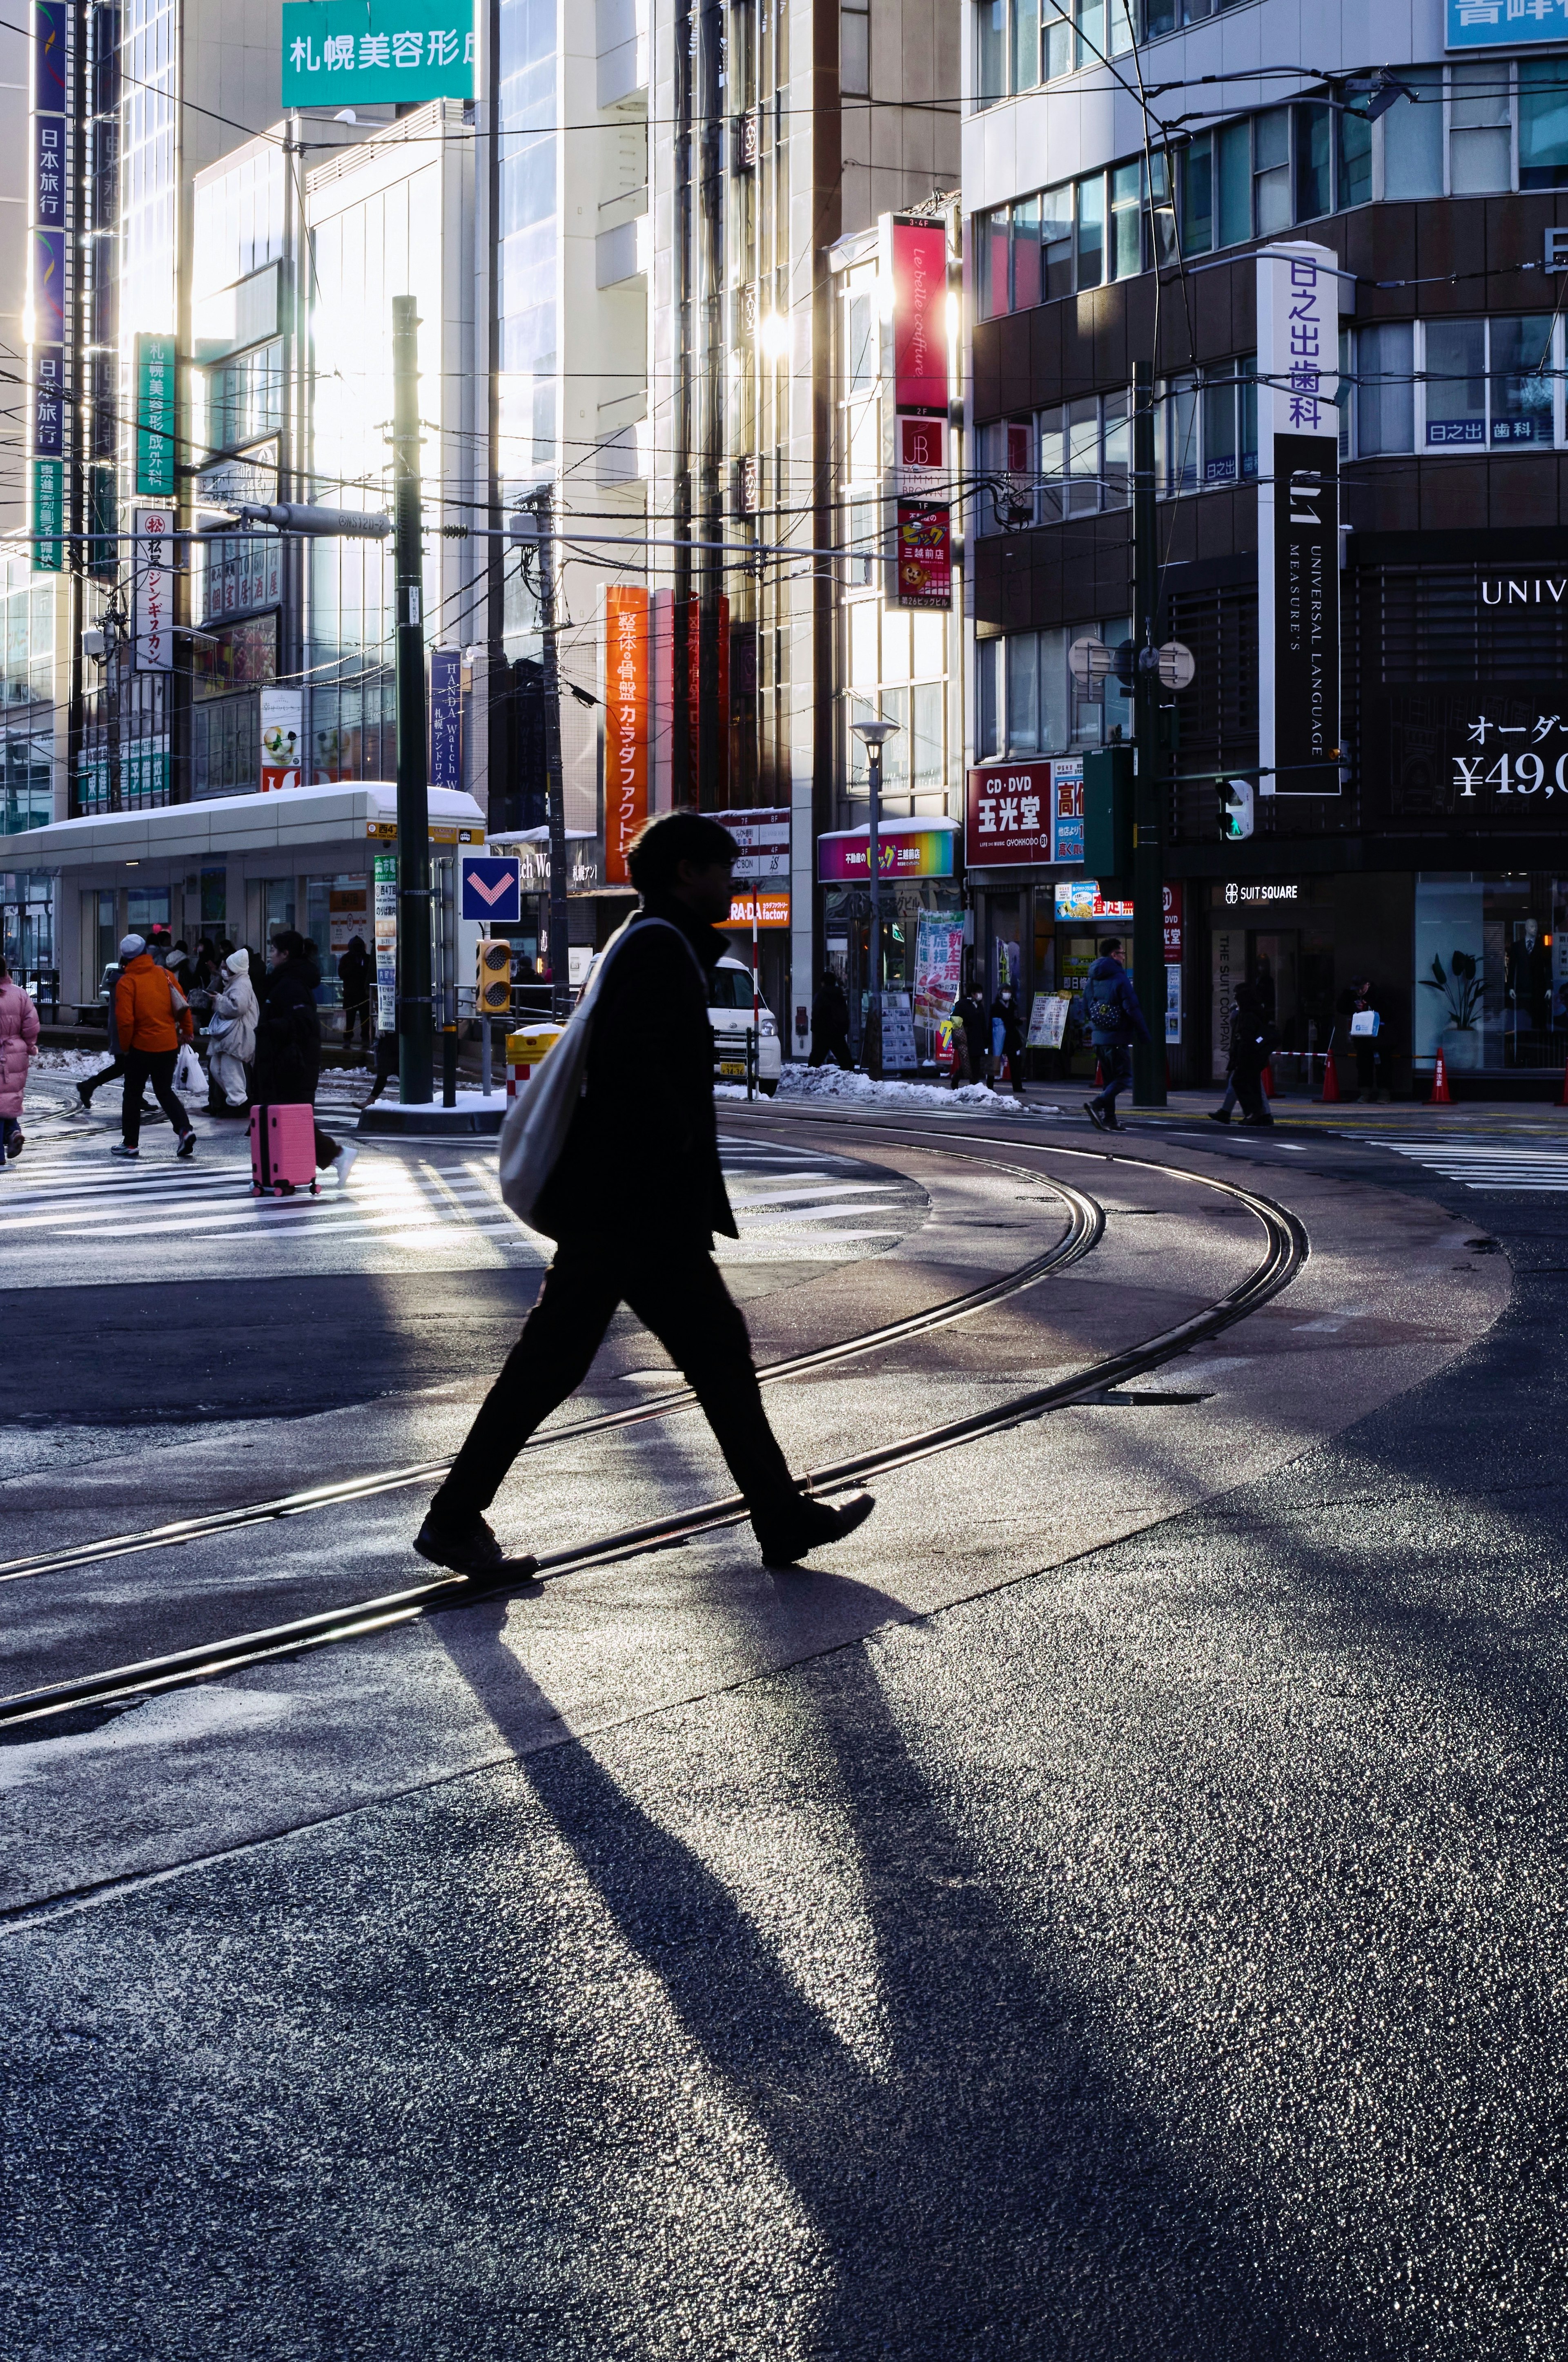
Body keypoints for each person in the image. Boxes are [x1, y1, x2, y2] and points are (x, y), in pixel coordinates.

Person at [414, 808, 877, 1583]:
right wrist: (678, 1153)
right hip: (636, 1209)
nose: (732, 881)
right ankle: (454, 1518)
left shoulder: (647, 941)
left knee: (674, 1358)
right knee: (600, 1362)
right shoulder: (661, 950)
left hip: (631, 1207)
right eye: (722, 867)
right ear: (686, 871)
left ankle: (779, 1514)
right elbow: (635, 1073)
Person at [253, 930, 357, 1184]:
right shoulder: (286, 980)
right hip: (289, 1061)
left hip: (292, 1064)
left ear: (285, 954)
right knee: (287, 1119)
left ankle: (337, 1155)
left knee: (292, 1119)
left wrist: (268, 1028)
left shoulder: (291, 984)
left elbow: (301, 1023)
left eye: (274, 950)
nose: (270, 955)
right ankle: (281, 1172)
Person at [110, 933, 197, 1162]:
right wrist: (187, 1031)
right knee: (164, 1091)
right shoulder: (164, 974)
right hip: (168, 1045)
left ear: (125, 958)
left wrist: (127, 1046)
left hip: (140, 1047)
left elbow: (126, 1021)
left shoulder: (127, 983)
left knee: (132, 1094)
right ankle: (184, 1129)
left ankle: (130, 1143)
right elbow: (182, 1004)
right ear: (145, 953)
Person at [1082, 937, 1151, 1131]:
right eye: (1122, 954)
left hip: (1099, 1038)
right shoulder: (1120, 979)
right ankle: (1097, 1104)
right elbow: (1133, 1009)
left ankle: (1110, 1119)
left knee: (1110, 1080)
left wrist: (1097, 1025)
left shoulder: (1093, 979)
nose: (1123, 957)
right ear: (1114, 955)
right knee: (1124, 1078)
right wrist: (1144, 1035)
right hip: (1118, 1037)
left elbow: (1086, 1006)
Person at [205, 947, 258, 1117]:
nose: (224, 971)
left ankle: (238, 1103)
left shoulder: (241, 984)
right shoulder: (237, 983)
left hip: (237, 1036)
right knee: (217, 1068)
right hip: (231, 1037)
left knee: (230, 1071)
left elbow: (238, 1007)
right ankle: (235, 1101)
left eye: (226, 967)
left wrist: (219, 1000)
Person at [0, 955, 40, 1164]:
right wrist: (28, 1045)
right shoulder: (20, 995)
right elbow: (31, 1025)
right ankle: (13, 1132)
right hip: (15, 1053)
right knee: (8, 1098)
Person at [1228, 981, 1279, 1126]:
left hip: (1248, 1056)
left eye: (1236, 996)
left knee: (1240, 1082)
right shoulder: (1256, 1011)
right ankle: (1260, 1114)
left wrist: (1240, 1056)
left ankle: (1255, 1113)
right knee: (1252, 1084)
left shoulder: (1246, 1015)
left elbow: (1246, 1038)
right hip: (1256, 1055)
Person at [1349, 978, 1389, 1102]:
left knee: (1383, 1067)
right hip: (1362, 1039)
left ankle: (1384, 1094)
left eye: (1362, 988)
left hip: (1379, 1038)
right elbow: (1342, 1008)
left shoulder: (1379, 995)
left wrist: (1367, 1007)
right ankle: (1365, 1093)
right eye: (1358, 990)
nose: (1360, 992)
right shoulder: (1354, 997)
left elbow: (1388, 1012)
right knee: (1363, 1066)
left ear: (1368, 985)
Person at [808, 971, 852, 1069]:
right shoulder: (839, 995)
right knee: (845, 1060)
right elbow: (844, 1013)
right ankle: (851, 1076)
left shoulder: (820, 995)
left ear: (823, 983)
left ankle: (810, 1077)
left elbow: (816, 1013)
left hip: (823, 1032)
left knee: (815, 1061)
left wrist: (816, 1028)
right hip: (837, 1032)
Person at [337, 933, 372, 1050]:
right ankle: (347, 1039)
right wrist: (354, 968)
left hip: (363, 995)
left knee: (365, 1020)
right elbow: (342, 974)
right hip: (351, 995)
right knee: (349, 1020)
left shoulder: (366, 958)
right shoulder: (347, 959)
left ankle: (365, 1040)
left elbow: (371, 973)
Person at [951, 984, 989, 1088]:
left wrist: (986, 1039)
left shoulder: (980, 1006)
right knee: (968, 1063)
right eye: (977, 992)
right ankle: (956, 1078)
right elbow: (955, 1019)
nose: (980, 995)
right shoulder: (963, 1004)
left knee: (976, 1064)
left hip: (978, 1039)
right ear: (972, 994)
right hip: (967, 1039)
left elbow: (983, 1023)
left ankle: (974, 1085)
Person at [991, 985, 1026, 1096]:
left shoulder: (1013, 1005)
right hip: (998, 1036)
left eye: (1009, 991)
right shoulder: (995, 1006)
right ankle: (990, 1086)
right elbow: (991, 1022)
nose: (1007, 993)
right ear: (1000, 993)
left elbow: (1012, 1020)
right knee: (994, 1060)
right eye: (1005, 991)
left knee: (1014, 1062)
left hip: (1010, 1036)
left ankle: (1018, 1086)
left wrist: (1019, 1021)